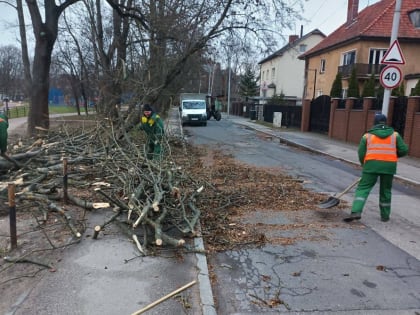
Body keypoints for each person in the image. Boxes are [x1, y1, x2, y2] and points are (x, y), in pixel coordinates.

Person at [344, 113, 408, 223]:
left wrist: (364, 165)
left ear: (374, 122)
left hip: (371, 166)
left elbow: (361, 153)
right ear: (385, 122)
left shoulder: (367, 136)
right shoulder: (395, 135)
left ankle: (356, 211)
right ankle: (385, 216)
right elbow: (404, 150)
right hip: (389, 166)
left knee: (363, 189)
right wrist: (393, 155)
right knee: (386, 190)